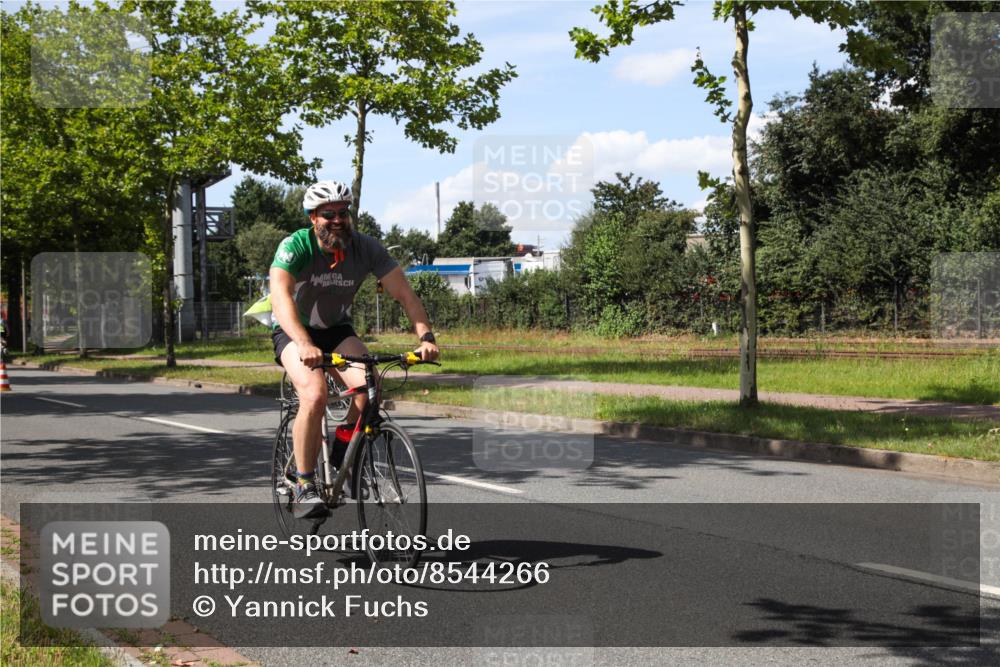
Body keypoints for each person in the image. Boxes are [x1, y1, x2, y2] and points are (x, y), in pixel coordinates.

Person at [269, 180, 439, 519]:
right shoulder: (296, 246)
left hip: (336, 330)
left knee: (369, 388)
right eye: (328, 214)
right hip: (294, 332)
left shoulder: (366, 248)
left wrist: (426, 337)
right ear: (312, 218)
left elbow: (406, 295)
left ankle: (343, 449)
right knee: (315, 394)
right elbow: (280, 294)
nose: (337, 220)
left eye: (343, 213)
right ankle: (304, 484)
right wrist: (303, 343)